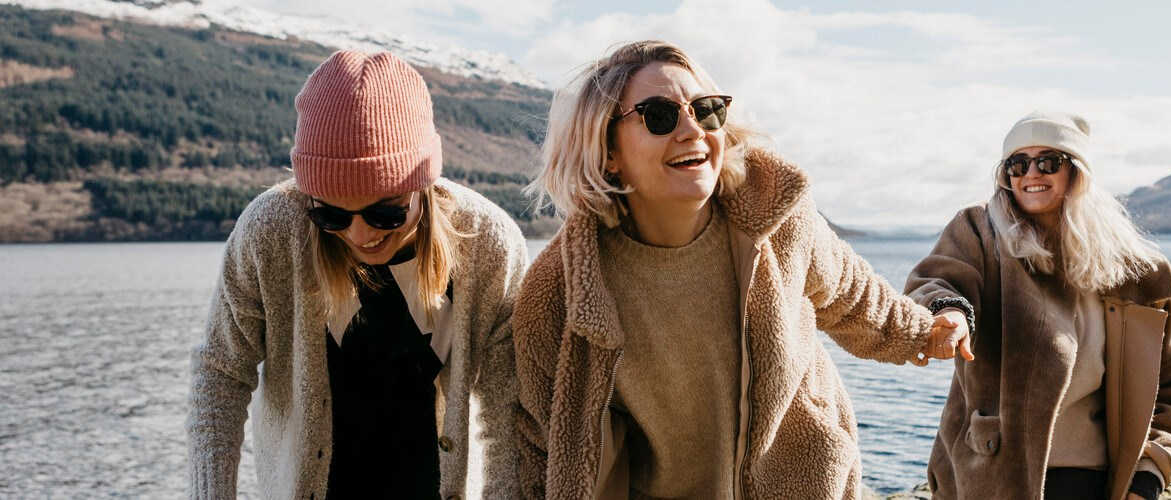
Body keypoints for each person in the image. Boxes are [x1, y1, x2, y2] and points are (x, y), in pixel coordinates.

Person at [512, 40, 965, 499]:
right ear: (607, 151)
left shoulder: (777, 217)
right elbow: (536, 443)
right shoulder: (561, 288)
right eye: (660, 115)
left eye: (706, 110)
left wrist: (928, 332)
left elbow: (852, 295)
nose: (692, 130)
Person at [187, 50, 525, 500]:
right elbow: (219, 376)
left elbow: (507, 410)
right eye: (331, 216)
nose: (360, 234)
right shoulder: (269, 231)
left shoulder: (489, 243)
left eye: (385, 213)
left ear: (423, 184)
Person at [904, 111, 1171, 499]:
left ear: (1077, 173)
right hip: (988, 476)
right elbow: (937, 280)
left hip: (1092, 480)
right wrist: (949, 313)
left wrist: (1148, 476)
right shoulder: (979, 231)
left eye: (1048, 161)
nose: (1031, 174)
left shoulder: (1138, 270)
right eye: (1017, 164)